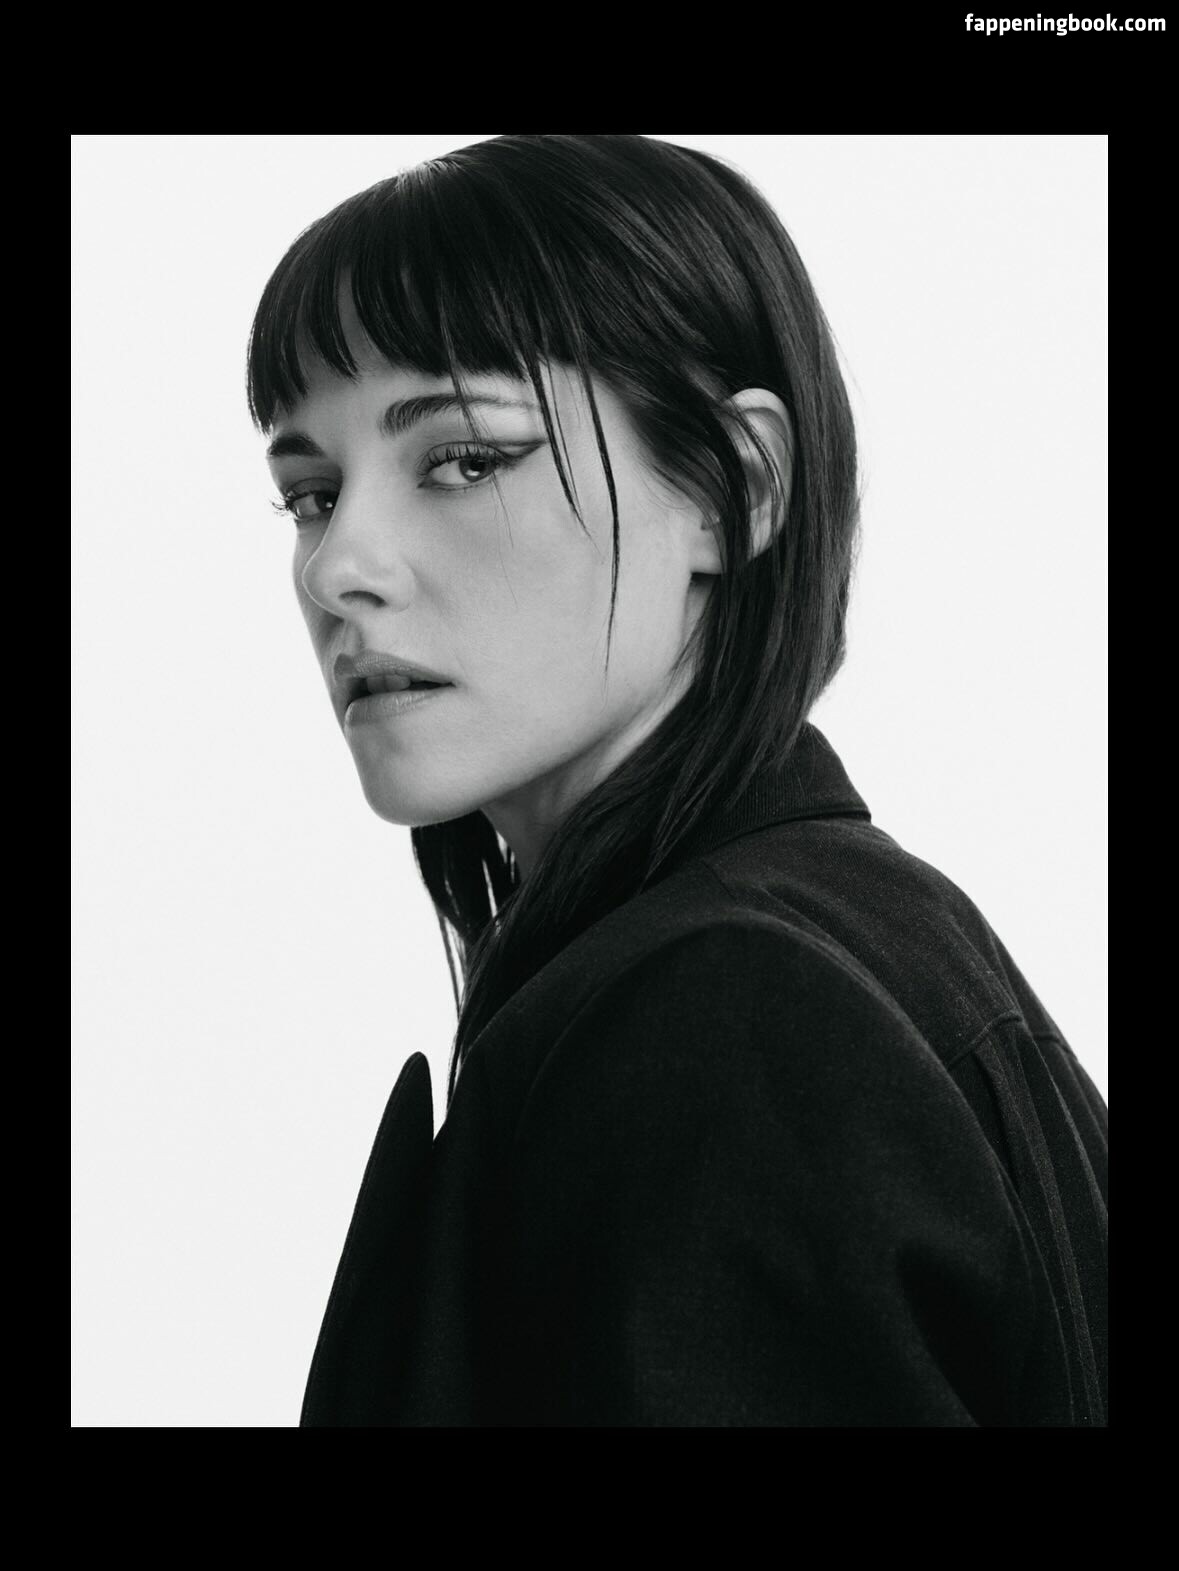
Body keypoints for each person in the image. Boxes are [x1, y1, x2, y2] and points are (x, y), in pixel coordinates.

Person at [247, 134, 1107, 1427]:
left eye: (466, 458)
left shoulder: (724, 1017)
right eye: (310, 494)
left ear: (732, 484)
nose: (338, 568)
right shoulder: (819, 949)